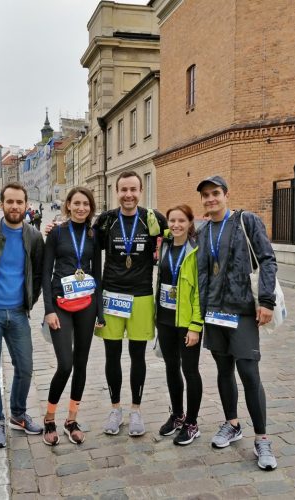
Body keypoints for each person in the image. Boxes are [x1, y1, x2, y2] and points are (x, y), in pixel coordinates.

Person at [195, 175, 278, 470]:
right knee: (223, 370)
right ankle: (232, 424)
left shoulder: (247, 221)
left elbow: (267, 259)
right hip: (215, 312)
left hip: (242, 310)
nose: (210, 199)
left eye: (215, 193)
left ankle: (262, 438)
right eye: (206, 195)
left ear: (226, 195)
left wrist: (266, 300)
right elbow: (202, 272)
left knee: (248, 372)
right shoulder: (203, 231)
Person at [0, 182, 45, 448]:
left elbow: (38, 274)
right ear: (1, 204)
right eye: (10, 202)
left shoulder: (34, 236)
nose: (15, 206)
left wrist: (29, 301)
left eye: (19, 202)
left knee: (25, 368)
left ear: (26, 205)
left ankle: (18, 414)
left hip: (18, 313)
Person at [94, 171, 167, 436]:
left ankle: (136, 410)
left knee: (138, 356)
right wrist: (54, 229)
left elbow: (180, 235)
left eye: (133, 189)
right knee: (112, 355)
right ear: (117, 191)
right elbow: (83, 242)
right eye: (124, 190)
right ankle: (116, 409)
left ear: (140, 191)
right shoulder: (106, 220)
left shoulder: (153, 219)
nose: (128, 195)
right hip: (112, 295)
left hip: (141, 296)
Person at [41, 187, 105, 445]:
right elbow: (46, 272)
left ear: (91, 207)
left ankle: (71, 419)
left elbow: (97, 273)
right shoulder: (56, 233)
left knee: (81, 363)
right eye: (76, 203)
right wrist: (48, 310)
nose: (81, 208)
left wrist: (100, 311)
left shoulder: (94, 235)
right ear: (68, 205)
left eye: (86, 204)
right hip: (61, 304)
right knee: (65, 364)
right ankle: (49, 418)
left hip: (87, 304)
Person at [155, 204, 204, 446]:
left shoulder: (196, 250)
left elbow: (199, 292)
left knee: (190, 370)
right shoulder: (164, 244)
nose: (176, 225)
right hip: (165, 319)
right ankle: (177, 415)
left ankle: (192, 423)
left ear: (190, 223)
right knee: (171, 367)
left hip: (187, 322)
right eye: (172, 220)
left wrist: (196, 325)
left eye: (181, 221)